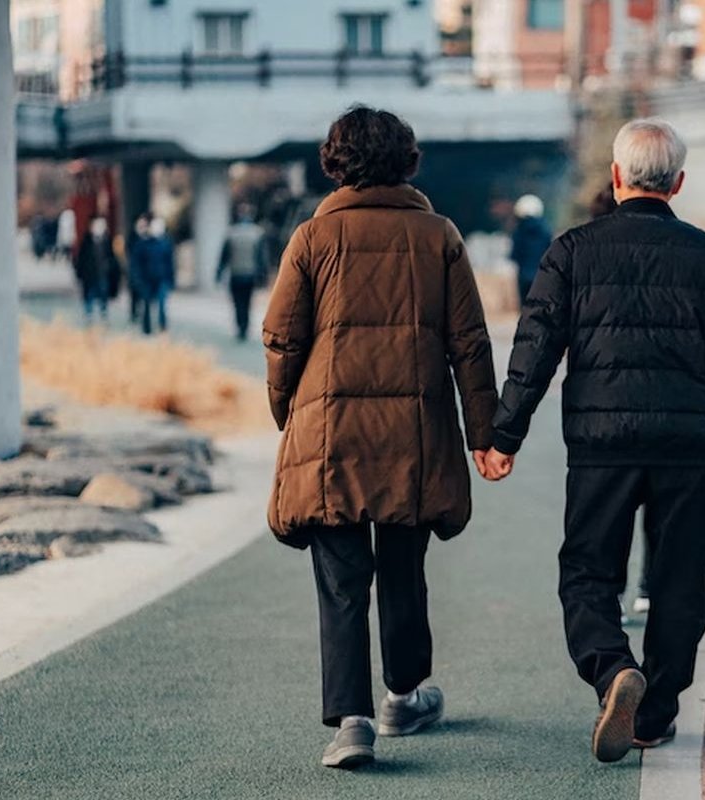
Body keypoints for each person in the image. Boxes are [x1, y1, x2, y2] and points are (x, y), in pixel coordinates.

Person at [481, 118, 705, 763]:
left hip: (600, 442)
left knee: (587, 571)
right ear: (680, 182)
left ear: (615, 178)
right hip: (685, 446)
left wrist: (505, 434)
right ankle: (654, 715)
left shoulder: (572, 250)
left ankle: (613, 671)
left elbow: (535, 351)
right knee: (679, 579)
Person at [262, 106, 497, 769]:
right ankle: (404, 694)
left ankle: (352, 723)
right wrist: (486, 434)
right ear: (407, 160)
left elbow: (281, 336)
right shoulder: (439, 237)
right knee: (403, 567)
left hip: (330, 434)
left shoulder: (311, 238)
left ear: (334, 163)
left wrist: (288, 413)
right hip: (414, 436)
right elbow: (469, 344)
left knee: (341, 580)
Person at [590, 181, 652, 616]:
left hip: (602, 417)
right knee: (661, 515)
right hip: (675, 419)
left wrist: (502, 434)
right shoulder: (703, 252)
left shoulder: (579, 254)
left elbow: (541, 340)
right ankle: (649, 590)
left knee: (607, 518)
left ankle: (610, 606)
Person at [216, 204, 269, 341]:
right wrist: (264, 275)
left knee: (237, 302)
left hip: (235, 274)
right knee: (247, 301)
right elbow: (262, 257)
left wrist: (219, 273)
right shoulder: (258, 233)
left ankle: (240, 325)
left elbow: (224, 256)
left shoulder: (231, 233)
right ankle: (245, 326)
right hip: (250, 274)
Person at [73, 215, 118, 322]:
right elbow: (80, 260)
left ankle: (104, 314)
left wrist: (110, 269)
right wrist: (80, 274)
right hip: (89, 276)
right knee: (89, 296)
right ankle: (89, 315)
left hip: (103, 274)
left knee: (104, 295)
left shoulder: (107, 241)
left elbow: (112, 258)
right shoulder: (86, 242)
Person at [509, 194, 552, 306]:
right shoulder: (546, 232)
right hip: (542, 276)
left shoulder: (518, 233)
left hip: (523, 277)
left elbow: (514, 255)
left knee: (525, 308)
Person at [137, 215, 174, 335]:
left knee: (162, 305)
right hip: (147, 279)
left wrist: (171, 280)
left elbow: (170, 263)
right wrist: (138, 279)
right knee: (147, 304)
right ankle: (146, 328)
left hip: (162, 279)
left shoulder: (166, 244)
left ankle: (163, 327)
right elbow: (138, 264)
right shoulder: (143, 244)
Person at [126, 213, 150, 323]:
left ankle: (144, 317)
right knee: (134, 296)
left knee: (145, 296)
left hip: (146, 272)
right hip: (134, 272)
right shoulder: (132, 237)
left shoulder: (148, 238)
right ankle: (134, 315)